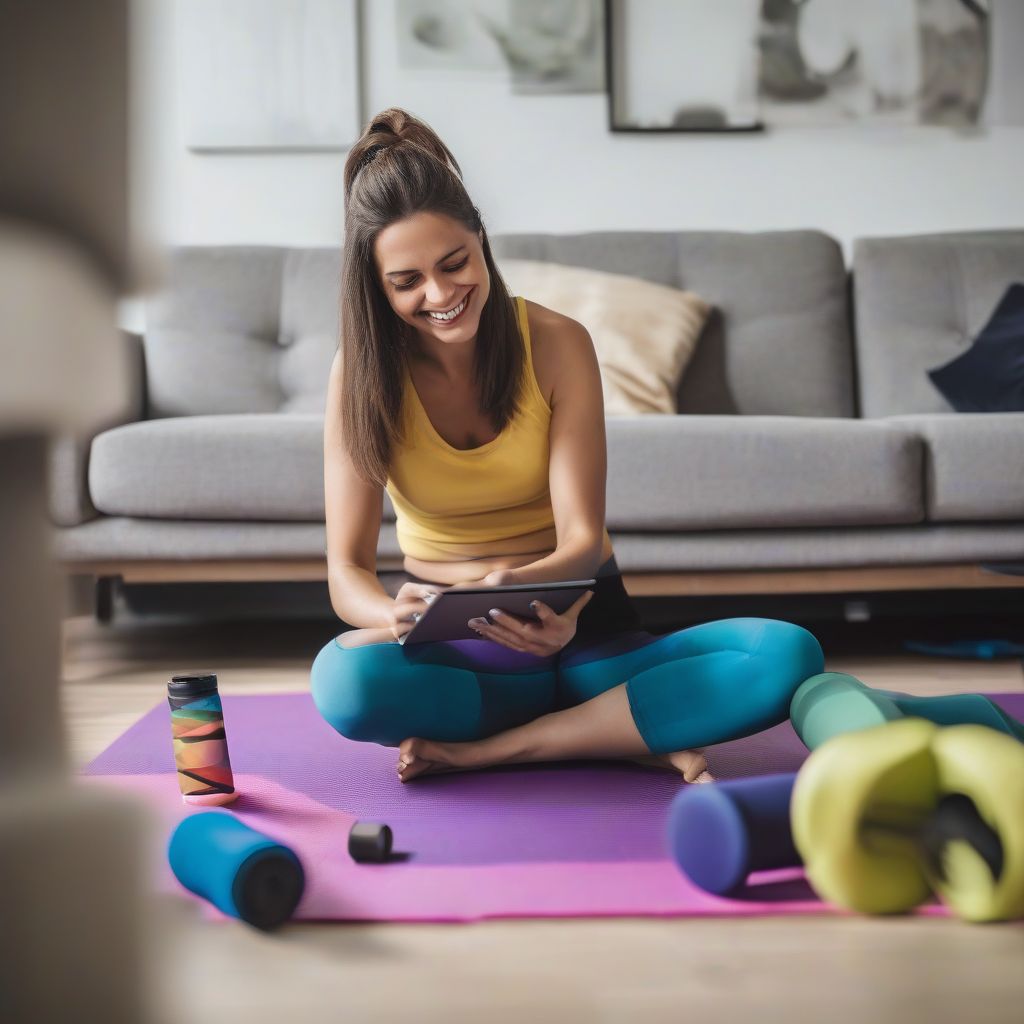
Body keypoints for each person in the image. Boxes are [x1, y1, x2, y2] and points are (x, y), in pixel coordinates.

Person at [309, 108, 824, 783]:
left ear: (481, 240)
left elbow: (581, 537)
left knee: (788, 654)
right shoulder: (361, 374)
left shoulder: (557, 343)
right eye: (407, 282)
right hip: (461, 645)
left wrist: (539, 595)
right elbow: (345, 572)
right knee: (343, 683)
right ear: (376, 288)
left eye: (454, 263)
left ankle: (498, 748)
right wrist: (391, 613)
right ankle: (615, 730)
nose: (440, 294)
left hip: (584, 624)